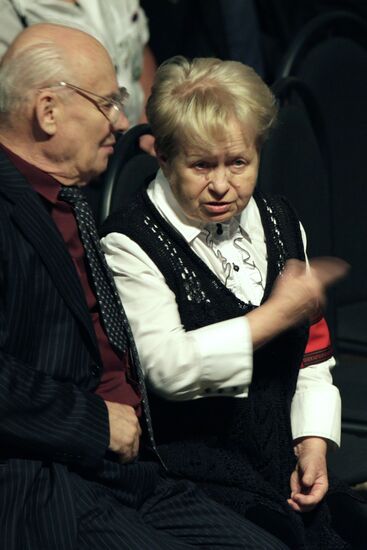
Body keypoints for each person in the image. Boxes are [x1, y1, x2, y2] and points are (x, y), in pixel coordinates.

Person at [0, 24, 291, 550]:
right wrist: (92, 423)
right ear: (47, 112)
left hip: (136, 472)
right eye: (106, 102)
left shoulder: (72, 197)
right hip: (50, 480)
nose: (120, 121)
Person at [100, 55, 352, 548]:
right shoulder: (130, 241)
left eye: (238, 162)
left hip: (279, 456)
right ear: (165, 158)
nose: (221, 184)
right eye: (200, 165)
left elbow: (311, 356)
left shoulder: (278, 221)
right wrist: (273, 315)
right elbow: (167, 367)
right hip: (191, 470)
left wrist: (314, 443)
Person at [0, 0, 156, 128]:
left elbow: (139, 47)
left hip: (137, 138)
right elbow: (14, 109)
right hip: (77, 156)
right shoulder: (8, 13)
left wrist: (149, 122)